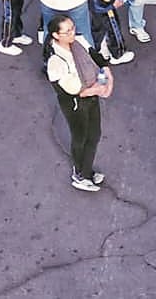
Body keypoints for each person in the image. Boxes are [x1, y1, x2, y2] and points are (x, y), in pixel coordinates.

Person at [44, 13, 113, 192]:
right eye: (67, 31)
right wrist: (100, 87)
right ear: (56, 35)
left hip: (91, 95)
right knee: (81, 137)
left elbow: (94, 55)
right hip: (76, 104)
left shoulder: (78, 43)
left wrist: (106, 73)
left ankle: (87, 170)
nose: (72, 33)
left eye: (73, 28)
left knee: (95, 134)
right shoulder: (56, 62)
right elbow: (74, 90)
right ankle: (80, 174)